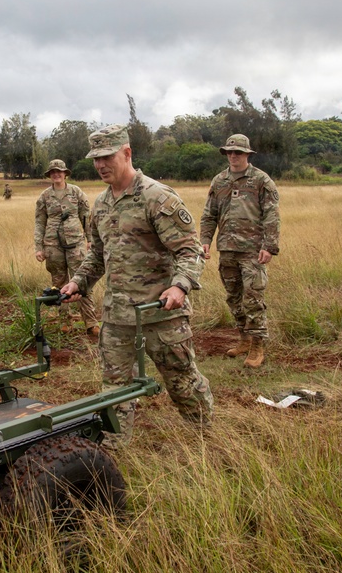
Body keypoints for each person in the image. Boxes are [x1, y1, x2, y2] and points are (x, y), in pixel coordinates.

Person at [62, 125, 213, 448]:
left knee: (182, 382)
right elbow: (99, 255)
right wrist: (78, 281)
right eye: (95, 159)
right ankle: (115, 453)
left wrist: (180, 286)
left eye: (107, 157)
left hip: (160, 313)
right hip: (117, 317)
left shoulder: (157, 197)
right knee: (114, 388)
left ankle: (207, 440)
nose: (100, 165)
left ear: (127, 153)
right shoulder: (101, 205)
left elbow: (190, 250)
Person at [199, 134, 280, 368]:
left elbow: (272, 215)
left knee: (253, 297)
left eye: (238, 152)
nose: (233, 156)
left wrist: (269, 246)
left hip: (252, 251)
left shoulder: (261, 180)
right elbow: (209, 214)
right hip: (227, 249)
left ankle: (257, 345)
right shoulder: (219, 181)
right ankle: (244, 338)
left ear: (247, 154)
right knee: (233, 297)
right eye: (230, 152)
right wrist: (205, 239)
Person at [34, 159, 99, 338]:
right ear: (50, 175)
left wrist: (90, 239)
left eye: (59, 171)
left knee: (82, 280)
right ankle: (64, 320)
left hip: (75, 243)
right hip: (53, 245)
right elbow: (40, 222)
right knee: (59, 283)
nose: (57, 174)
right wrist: (39, 247)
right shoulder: (45, 196)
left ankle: (91, 322)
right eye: (53, 172)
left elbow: (86, 217)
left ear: (65, 174)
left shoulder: (76, 192)